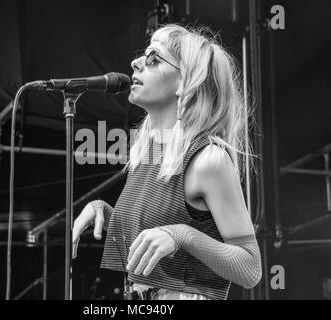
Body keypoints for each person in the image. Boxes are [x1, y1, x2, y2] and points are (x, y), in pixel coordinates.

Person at [73, 24, 262, 300]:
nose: (135, 63)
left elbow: (250, 267)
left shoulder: (207, 159)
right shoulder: (147, 154)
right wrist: (105, 211)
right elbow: (157, 242)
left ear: (185, 81)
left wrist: (181, 234)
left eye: (153, 58)